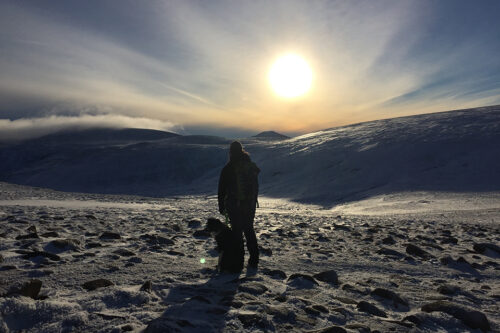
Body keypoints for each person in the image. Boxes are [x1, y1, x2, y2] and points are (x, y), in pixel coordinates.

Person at [218, 141, 260, 270]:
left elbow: (222, 189)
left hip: (234, 204)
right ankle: (254, 259)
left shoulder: (229, 168)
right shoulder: (250, 166)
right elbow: (256, 186)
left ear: (231, 152)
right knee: (249, 229)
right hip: (249, 204)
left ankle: (239, 260)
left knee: (237, 232)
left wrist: (221, 206)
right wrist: (252, 201)